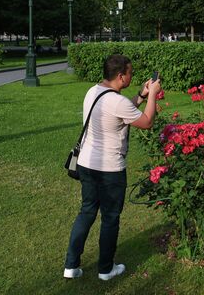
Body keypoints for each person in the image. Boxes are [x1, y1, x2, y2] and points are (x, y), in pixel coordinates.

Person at [64, 54, 162, 281]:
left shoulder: (93, 91)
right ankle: (106, 269)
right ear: (121, 76)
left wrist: (140, 95)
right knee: (110, 218)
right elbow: (146, 122)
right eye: (130, 73)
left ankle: (71, 266)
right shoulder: (117, 101)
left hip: (87, 164)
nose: (132, 75)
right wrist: (153, 95)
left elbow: (121, 112)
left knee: (87, 212)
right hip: (110, 170)